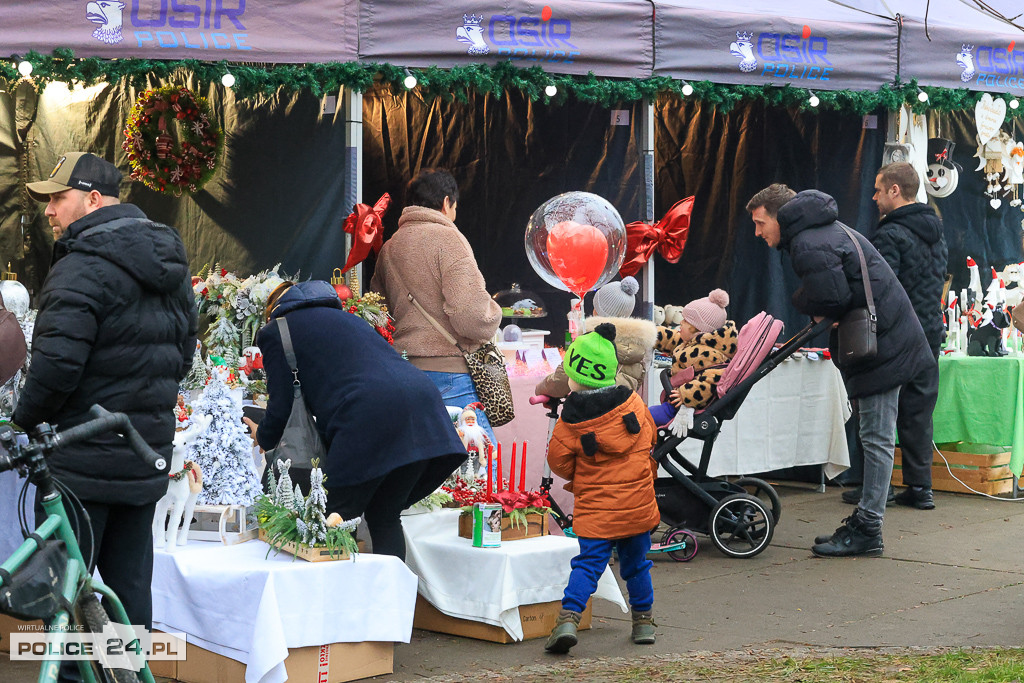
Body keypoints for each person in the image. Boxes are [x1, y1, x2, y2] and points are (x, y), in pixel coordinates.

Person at [14, 152, 197, 643]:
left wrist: (20, 422)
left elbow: (55, 370)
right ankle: (128, 672)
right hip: (142, 457)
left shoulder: (79, 267)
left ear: (93, 199)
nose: (49, 211)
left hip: (80, 464)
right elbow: (184, 357)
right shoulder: (171, 262)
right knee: (129, 593)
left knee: (67, 599)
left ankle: (75, 676)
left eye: (58, 198)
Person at [747, 184, 933, 558]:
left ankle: (868, 529)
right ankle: (866, 521)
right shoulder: (823, 232)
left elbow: (831, 296)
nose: (757, 232)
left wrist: (800, 299)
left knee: (876, 437)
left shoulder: (809, 243)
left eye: (760, 222)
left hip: (885, 346)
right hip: (888, 338)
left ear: (780, 218)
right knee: (874, 435)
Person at [245, 280, 466, 560]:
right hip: (423, 407)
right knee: (385, 514)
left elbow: (281, 404)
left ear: (274, 310)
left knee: (333, 518)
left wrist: (263, 436)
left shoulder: (277, 331)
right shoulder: (350, 320)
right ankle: (392, 588)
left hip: (367, 416)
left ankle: (340, 589)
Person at [544, 324, 660, 653]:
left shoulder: (570, 423)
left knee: (588, 564)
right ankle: (643, 622)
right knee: (637, 564)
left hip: (596, 510)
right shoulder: (634, 404)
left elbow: (558, 463)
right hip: (637, 505)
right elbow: (650, 437)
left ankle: (568, 620)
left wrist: (585, 470)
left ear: (573, 378)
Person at [370, 168, 502, 443]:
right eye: (455, 206)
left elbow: (378, 315)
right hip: (451, 377)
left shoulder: (390, 247)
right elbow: (472, 317)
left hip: (405, 373)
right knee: (475, 460)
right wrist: (494, 312)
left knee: (423, 459)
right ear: (445, 202)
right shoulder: (448, 239)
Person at [856, 162, 945, 511]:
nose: (874, 197)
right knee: (919, 410)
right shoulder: (936, 231)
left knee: (879, 413)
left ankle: (877, 489)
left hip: (898, 333)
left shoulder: (890, 234)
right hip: (930, 329)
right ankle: (921, 488)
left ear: (895, 190)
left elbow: (881, 290)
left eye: (878, 190)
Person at [534, 276, 657, 399]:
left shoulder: (590, 341)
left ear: (596, 311)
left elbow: (563, 378)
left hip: (588, 408)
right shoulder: (639, 346)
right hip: (621, 408)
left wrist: (541, 389)